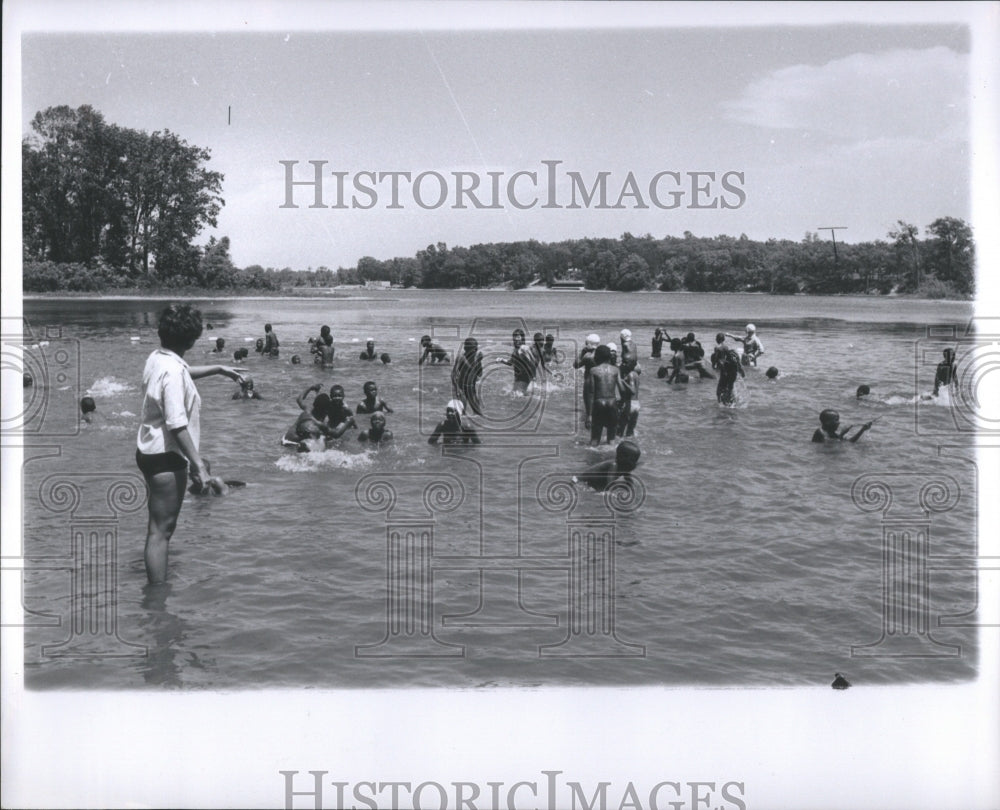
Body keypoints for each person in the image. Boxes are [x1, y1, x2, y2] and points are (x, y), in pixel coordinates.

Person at [136, 303, 246, 584]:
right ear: (192, 339)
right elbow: (176, 422)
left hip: (149, 449)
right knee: (161, 531)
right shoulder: (172, 371)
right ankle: (157, 599)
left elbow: (183, 372)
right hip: (167, 455)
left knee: (157, 529)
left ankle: (157, 588)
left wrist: (219, 369)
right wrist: (198, 465)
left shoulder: (158, 357)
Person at [574, 440, 641, 492]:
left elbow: (629, 480)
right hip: (581, 480)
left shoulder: (624, 468)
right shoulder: (614, 465)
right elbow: (610, 482)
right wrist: (611, 493)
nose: (634, 463)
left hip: (596, 481)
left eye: (635, 460)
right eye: (632, 460)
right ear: (622, 458)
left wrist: (631, 489)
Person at [589, 344, 623, 446]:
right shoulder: (615, 370)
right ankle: (611, 458)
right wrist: (622, 403)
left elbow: (591, 393)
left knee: (595, 439)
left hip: (599, 403)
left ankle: (591, 460)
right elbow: (621, 388)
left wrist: (589, 415)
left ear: (597, 357)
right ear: (609, 357)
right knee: (611, 440)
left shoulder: (593, 370)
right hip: (612, 403)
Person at [452, 337, 484, 416]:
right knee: (462, 413)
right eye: (471, 350)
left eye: (474, 349)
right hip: (461, 387)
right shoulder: (461, 357)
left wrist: (479, 362)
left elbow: (480, 374)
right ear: (466, 349)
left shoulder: (476, 357)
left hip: (471, 387)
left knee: (478, 412)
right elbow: (453, 374)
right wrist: (457, 389)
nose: (473, 352)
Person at [500, 328, 536, 394]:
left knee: (518, 395)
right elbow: (511, 363)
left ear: (522, 338)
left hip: (525, 376)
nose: (516, 339)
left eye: (518, 337)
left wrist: (533, 376)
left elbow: (532, 362)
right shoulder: (515, 350)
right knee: (515, 394)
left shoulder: (524, 348)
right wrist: (502, 360)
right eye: (515, 337)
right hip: (517, 376)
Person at [618, 362, 640, 438]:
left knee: (619, 431)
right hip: (637, 404)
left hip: (629, 404)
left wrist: (623, 381)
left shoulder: (630, 375)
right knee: (630, 432)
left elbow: (632, 390)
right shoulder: (636, 374)